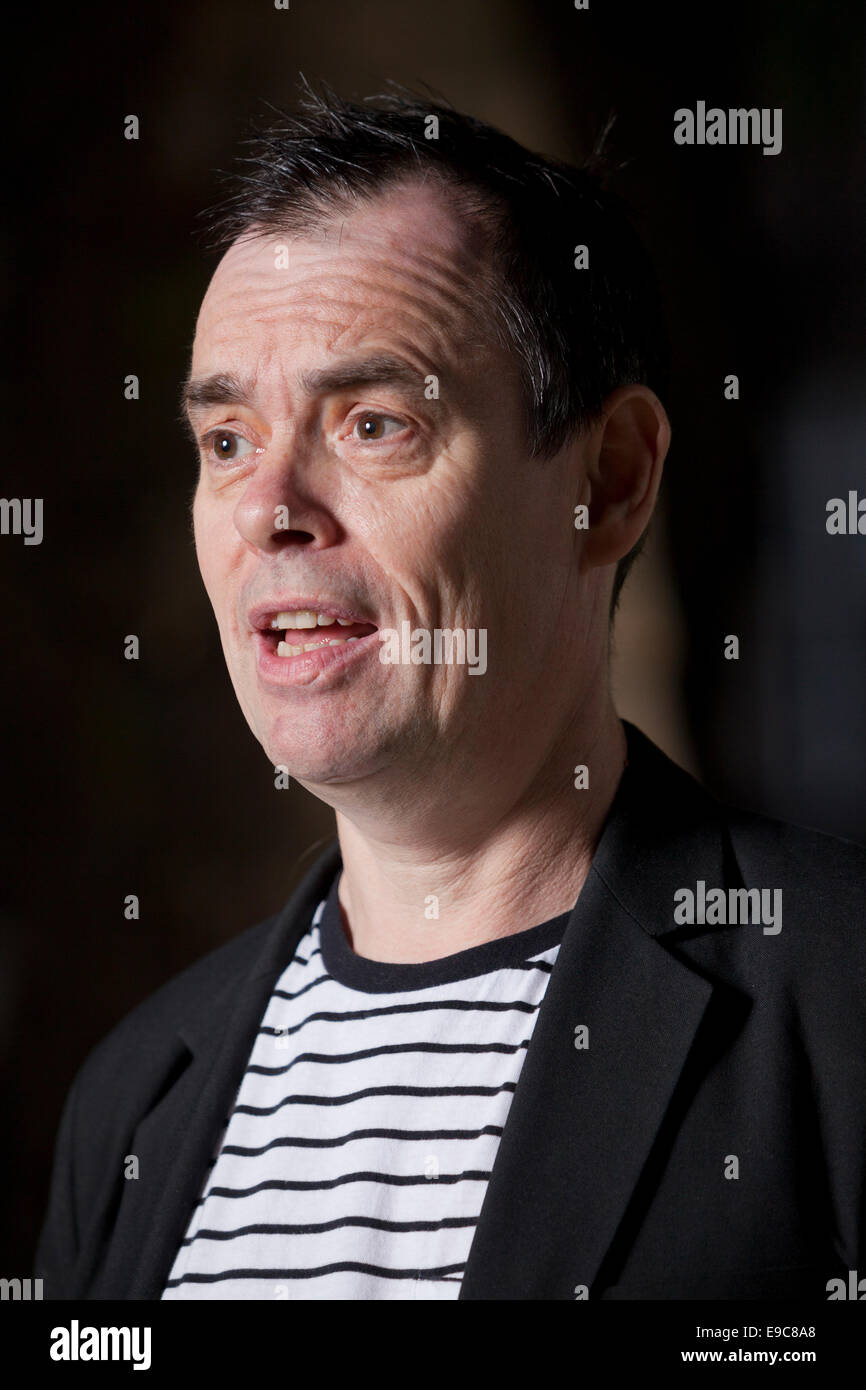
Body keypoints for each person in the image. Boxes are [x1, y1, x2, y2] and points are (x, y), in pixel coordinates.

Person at [36, 87, 866, 1301]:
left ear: (612, 479)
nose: (270, 510)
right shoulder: (129, 1100)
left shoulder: (837, 999)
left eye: (372, 424)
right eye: (225, 441)